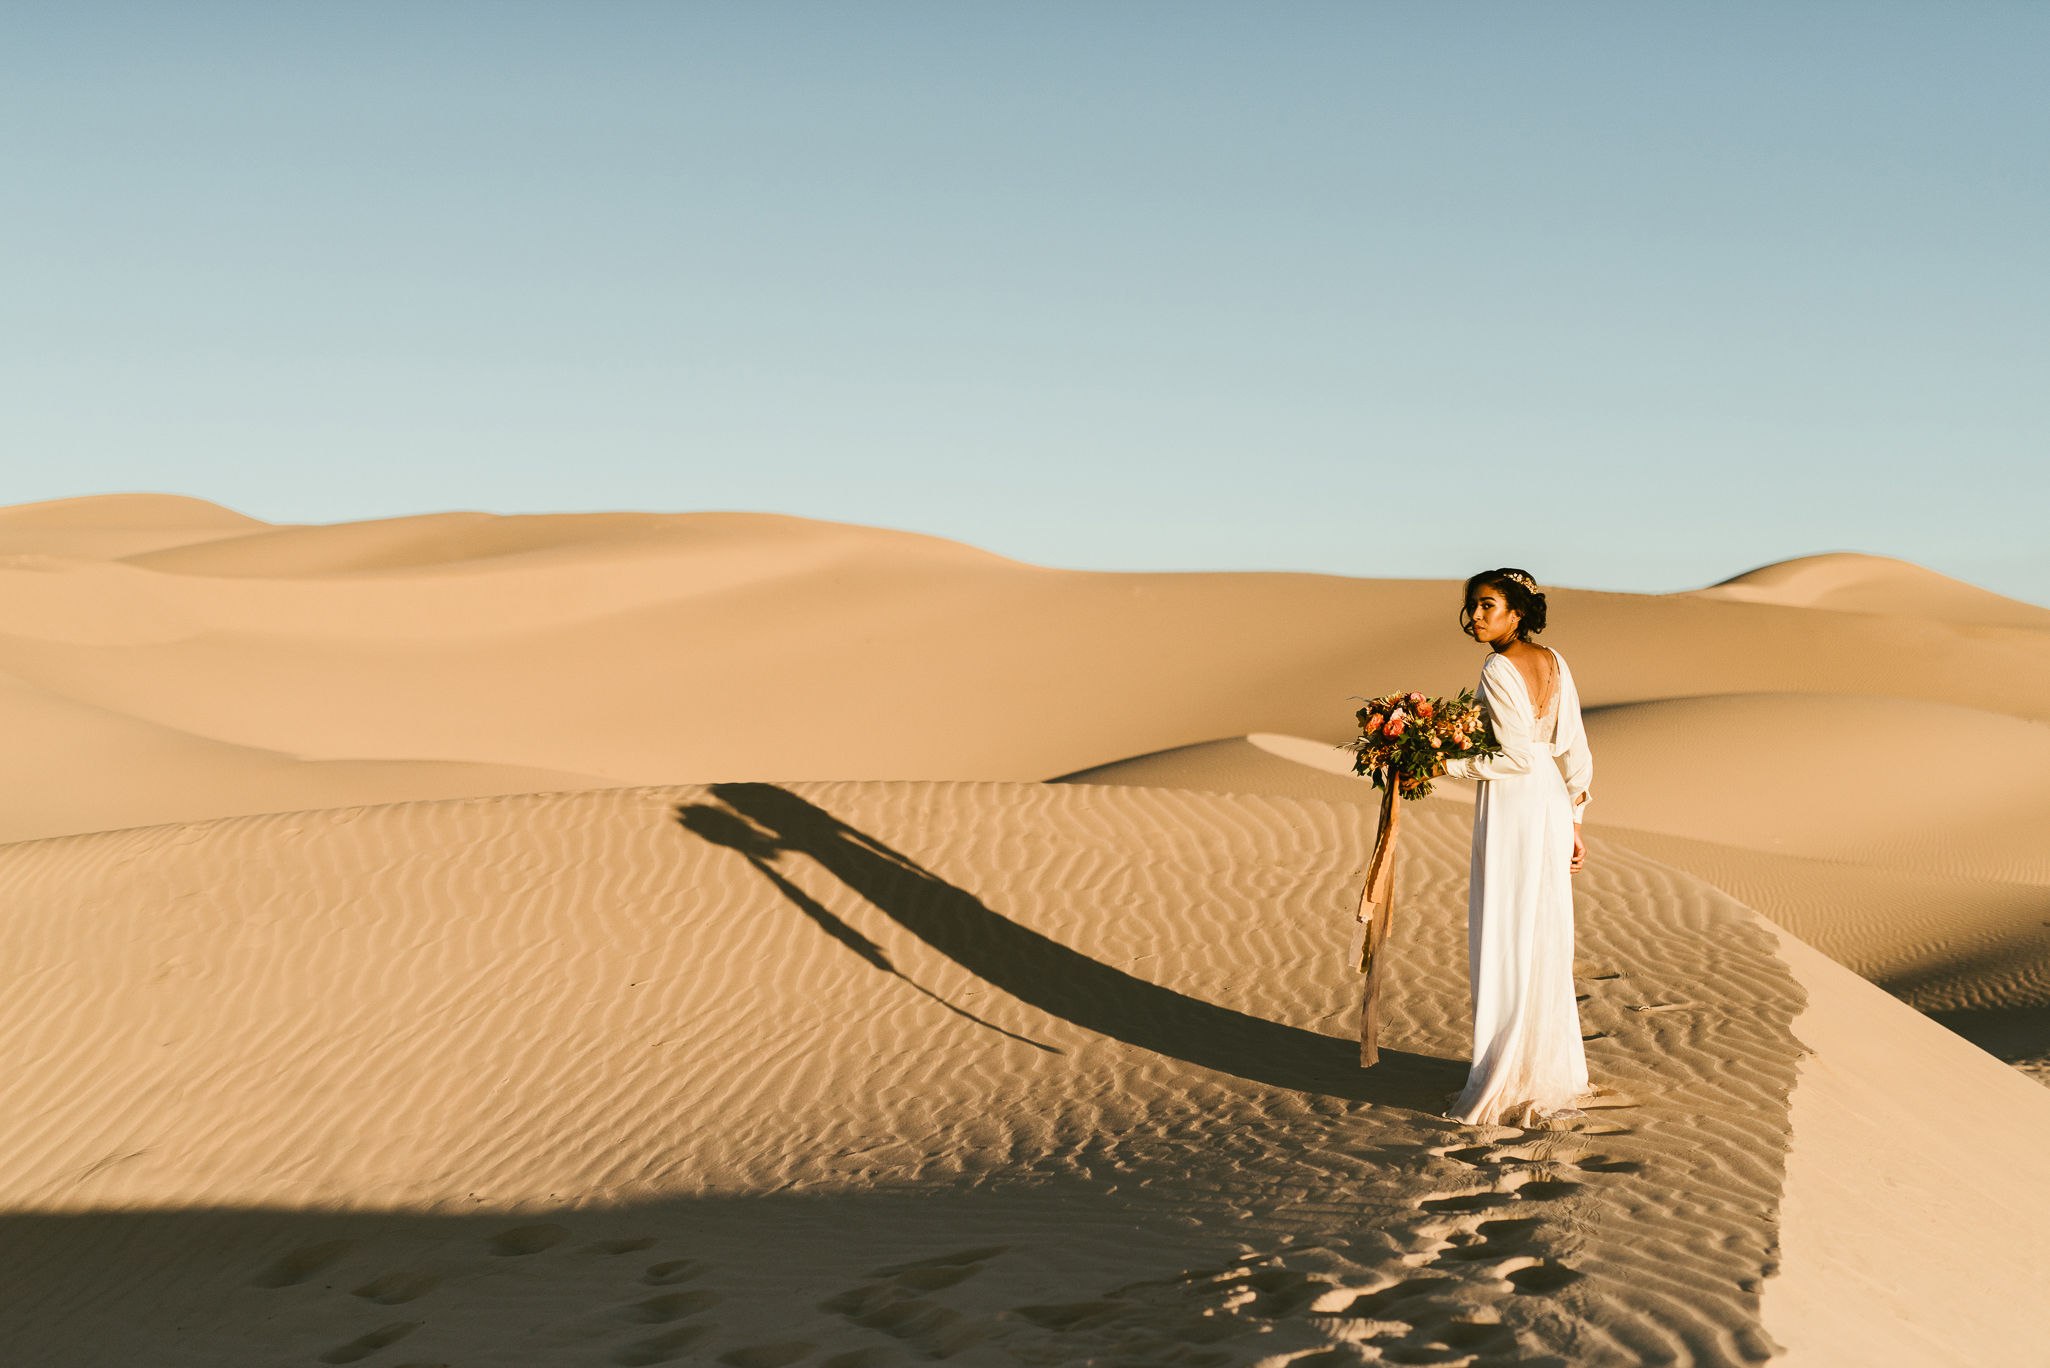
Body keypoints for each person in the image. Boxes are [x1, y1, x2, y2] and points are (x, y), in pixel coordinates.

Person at [1434, 568, 1595, 1127]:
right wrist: (1574, 819)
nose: (1475, 616)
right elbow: (1572, 749)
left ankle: (1507, 1071)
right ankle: (1543, 1066)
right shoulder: (1554, 661)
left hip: (1515, 804)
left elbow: (1515, 757)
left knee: (1506, 927)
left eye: (1487, 605)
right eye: (1472, 606)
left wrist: (1438, 763)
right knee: (1540, 927)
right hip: (1549, 801)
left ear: (1516, 612)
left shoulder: (1500, 667)